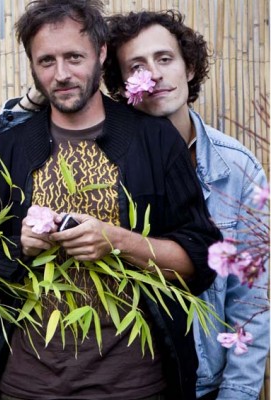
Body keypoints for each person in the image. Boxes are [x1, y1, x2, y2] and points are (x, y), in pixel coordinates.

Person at [0, 9, 270, 400]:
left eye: (74, 57)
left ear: (101, 53)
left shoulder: (155, 141)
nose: (62, 73)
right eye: (46, 61)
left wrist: (116, 240)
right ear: (32, 67)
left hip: (135, 386)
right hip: (25, 385)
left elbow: (202, 261)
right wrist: (17, 247)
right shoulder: (8, 147)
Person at [104, 11, 269, 400]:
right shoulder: (102, 161)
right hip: (127, 380)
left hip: (204, 383)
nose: (155, 74)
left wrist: (237, 394)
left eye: (165, 59)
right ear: (122, 84)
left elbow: (252, 299)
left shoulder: (236, 168)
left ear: (189, 67)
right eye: (137, 66)